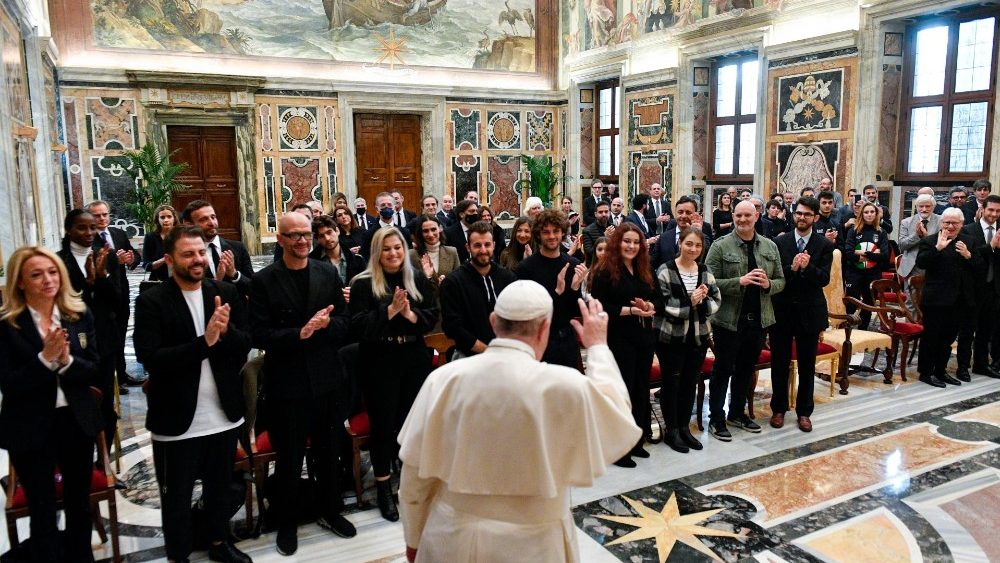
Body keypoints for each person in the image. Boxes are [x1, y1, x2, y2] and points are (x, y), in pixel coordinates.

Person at [397, 283, 640, 563]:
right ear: (544, 328)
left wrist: (413, 539)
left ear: (493, 322)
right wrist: (598, 347)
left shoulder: (443, 380)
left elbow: (415, 477)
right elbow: (618, 416)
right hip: (535, 546)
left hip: (453, 537)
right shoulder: (565, 385)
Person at [134, 225, 253, 563]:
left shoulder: (224, 292)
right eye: (188, 254)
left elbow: (245, 343)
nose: (198, 259)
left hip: (222, 412)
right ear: (170, 260)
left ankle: (219, 542)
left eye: (201, 252)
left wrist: (225, 333)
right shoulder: (152, 301)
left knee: (219, 488)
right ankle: (178, 554)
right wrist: (205, 342)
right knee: (177, 496)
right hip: (177, 416)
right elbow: (151, 358)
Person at [250, 213, 356, 555]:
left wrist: (327, 326)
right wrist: (300, 333)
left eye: (306, 234)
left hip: (326, 378)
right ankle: (287, 522)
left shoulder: (326, 272)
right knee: (290, 457)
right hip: (288, 383)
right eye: (294, 235)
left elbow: (345, 320)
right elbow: (258, 333)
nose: (302, 240)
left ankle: (330, 511)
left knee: (329, 451)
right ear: (280, 239)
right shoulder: (264, 280)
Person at [0, 246, 103, 563]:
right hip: (31, 427)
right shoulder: (8, 325)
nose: (48, 280)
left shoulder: (78, 314)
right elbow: (9, 383)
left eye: (52, 271)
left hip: (76, 421)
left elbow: (94, 367)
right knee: (43, 509)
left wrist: (67, 361)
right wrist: (45, 359)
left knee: (79, 505)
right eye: (36, 274)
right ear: (20, 282)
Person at [350, 227, 438, 521]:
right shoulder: (363, 284)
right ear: (377, 253)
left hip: (413, 358)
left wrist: (410, 314)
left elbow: (431, 316)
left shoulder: (417, 278)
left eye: (397, 248)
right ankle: (384, 488)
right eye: (386, 249)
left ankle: (411, 482)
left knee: (412, 423)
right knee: (383, 426)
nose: (393, 254)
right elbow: (358, 326)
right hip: (380, 360)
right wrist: (390, 311)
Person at [705, 200, 785, 441]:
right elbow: (708, 282)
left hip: (758, 319)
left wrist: (769, 284)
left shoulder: (770, 246)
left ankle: (737, 413)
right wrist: (738, 282)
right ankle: (716, 418)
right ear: (733, 216)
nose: (742, 220)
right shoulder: (720, 245)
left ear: (756, 216)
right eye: (738, 215)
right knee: (723, 370)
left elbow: (781, 280)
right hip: (728, 320)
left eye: (747, 215)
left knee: (746, 369)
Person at [589, 223, 657, 467]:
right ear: (618, 242)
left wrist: (649, 306)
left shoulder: (644, 268)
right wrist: (631, 310)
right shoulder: (604, 271)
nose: (631, 246)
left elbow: (656, 297)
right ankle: (618, 448)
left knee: (640, 388)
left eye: (636, 242)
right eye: (627, 241)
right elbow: (600, 306)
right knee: (622, 391)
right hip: (619, 338)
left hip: (644, 337)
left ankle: (635, 440)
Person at [57, 209, 122, 456]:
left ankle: (103, 459)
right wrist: (87, 284)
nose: (88, 232)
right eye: (82, 227)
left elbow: (117, 302)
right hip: (72, 342)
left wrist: (102, 278)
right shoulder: (59, 261)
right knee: (78, 402)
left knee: (104, 402)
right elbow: (65, 304)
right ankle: (79, 455)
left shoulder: (108, 256)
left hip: (104, 341)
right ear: (69, 230)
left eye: (92, 227)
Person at [769, 197, 834, 433]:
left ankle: (804, 412)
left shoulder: (824, 244)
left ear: (815, 217)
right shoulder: (780, 241)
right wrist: (792, 268)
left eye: (807, 214)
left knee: (807, 365)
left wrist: (808, 268)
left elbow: (824, 279)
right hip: (782, 310)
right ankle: (778, 408)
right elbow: (775, 275)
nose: (802, 218)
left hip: (810, 311)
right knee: (779, 362)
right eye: (798, 213)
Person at [654, 227, 721, 453]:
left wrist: (702, 302)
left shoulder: (704, 270)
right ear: (680, 243)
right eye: (689, 244)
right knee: (671, 384)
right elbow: (662, 304)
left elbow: (716, 299)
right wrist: (689, 302)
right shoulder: (665, 270)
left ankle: (684, 427)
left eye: (698, 245)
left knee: (690, 383)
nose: (693, 249)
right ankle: (672, 430)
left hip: (698, 337)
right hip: (671, 338)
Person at [916, 208, 982, 388]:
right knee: (931, 338)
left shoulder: (969, 241)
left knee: (947, 339)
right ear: (941, 223)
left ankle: (940, 370)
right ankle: (926, 372)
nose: (950, 226)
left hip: (959, 300)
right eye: (947, 223)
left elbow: (980, 268)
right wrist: (938, 249)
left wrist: (968, 255)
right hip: (935, 300)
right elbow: (921, 263)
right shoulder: (930, 241)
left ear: (962, 224)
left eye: (955, 223)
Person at [515, 209, 588, 369]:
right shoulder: (526, 268)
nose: (552, 236)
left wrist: (574, 288)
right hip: (538, 342)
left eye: (556, 231)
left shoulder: (573, 264)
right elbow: (527, 312)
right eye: (546, 232)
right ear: (538, 235)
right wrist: (556, 293)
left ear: (562, 233)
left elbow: (574, 311)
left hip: (566, 341)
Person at [440, 221, 517, 358]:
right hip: (468, 356)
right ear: (468, 247)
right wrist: (488, 351)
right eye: (477, 245)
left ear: (494, 245)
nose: (483, 250)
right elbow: (453, 327)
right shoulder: (453, 283)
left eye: (487, 244)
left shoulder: (508, 278)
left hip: (505, 353)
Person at [86, 200, 141, 387]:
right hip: (102, 297)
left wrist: (132, 259)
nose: (102, 218)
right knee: (107, 338)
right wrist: (113, 261)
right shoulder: (88, 238)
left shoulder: (118, 233)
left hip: (122, 293)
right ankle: (111, 380)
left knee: (121, 333)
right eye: (97, 215)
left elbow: (135, 255)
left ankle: (122, 375)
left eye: (105, 214)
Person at [956, 194, 1000, 380]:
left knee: (986, 330)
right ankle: (963, 367)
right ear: (982, 209)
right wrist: (991, 246)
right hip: (972, 289)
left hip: (994, 289)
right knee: (967, 331)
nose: (994, 214)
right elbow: (969, 257)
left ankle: (981, 365)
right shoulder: (968, 230)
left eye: (998, 211)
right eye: (991, 210)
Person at [182, 200, 254, 298]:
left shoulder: (238, 247)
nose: (211, 223)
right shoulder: (186, 255)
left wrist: (234, 274)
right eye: (203, 219)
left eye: (213, 217)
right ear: (188, 224)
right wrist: (217, 280)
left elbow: (253, 288)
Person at [843, 202, 890, 329]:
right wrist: (873, 253)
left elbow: (884, 256)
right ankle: (847, 330)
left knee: (869, 302)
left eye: (872, 212)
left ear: (876, 214)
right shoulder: (853, 231)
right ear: (861, 214)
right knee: (851, 302)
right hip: (854, 272)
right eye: (866, 212)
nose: (869, 215)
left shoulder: (881, 232)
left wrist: (861, 253)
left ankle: (863, 330)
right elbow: (848, 253)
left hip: (873, 273)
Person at [898, 194, 941, 316]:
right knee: (911, 303)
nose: (924, 209)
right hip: (912, 268)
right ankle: (911, 327)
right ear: (916, 207)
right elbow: (902, 245)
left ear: (933, 207)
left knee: (931, 303)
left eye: (927, 206)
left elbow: (943, 244)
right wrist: (916, 236)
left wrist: (927, 237)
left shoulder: (941, 221)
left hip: (934, 267)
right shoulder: (906, 222)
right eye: (921, 206)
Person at [652, 196, 713, 270]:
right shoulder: (664, 237)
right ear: (675, 213)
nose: (683, 216)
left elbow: (706, 256)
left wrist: (697, 234)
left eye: (688, 212)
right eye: (680, 212)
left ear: (695, 214)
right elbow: (653, 264)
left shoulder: (703, 235)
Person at [310, 214, 364, 286]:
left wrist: (354, 290)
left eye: (329, 232)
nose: (327, 238)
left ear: (337, 231)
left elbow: (365, 287)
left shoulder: (357, 259)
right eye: (321, 236)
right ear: (317, 239)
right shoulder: (311, 262)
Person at [409, 214, 460, 286]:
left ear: (440, 228)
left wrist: (447, 282)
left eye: (433, 229)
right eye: (425, 231)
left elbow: (459, 280)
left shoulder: (452, 251)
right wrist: (427, 278)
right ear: (421, 233)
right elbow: (410, 283)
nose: (430, 234)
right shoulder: (412, 255)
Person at [362, 191, 410, 260]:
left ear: (394, 208)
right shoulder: (368, 234)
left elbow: (408, 257)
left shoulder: (404, 232)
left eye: (389, 205)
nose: (386, 207)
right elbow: (366, 259)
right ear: (377, 209)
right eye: (383, 205)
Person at [143, 204, 180, 282]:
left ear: (174, 218)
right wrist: (164, 259)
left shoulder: (182, 235)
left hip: (181, 280)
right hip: (158, 281)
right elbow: (146, 266)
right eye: (162, 217)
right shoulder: (150, 237)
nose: (166, 220)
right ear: (157, 220)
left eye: (169, 217)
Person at [443, 199, 479, 263]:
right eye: (472, 211)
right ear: (462, 214)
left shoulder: (481, 230)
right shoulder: (449, 233)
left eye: (476, 211)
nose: (475, 214)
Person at [581, 200, 613, 266]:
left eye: (606, 212)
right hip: (594, 266)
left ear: (610, 213)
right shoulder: (587, 231)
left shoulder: (615, 228)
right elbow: (589, 252)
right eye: (600, 212)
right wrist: (604, 237)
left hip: (612, 264)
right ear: (595, 214)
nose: (604, 214)